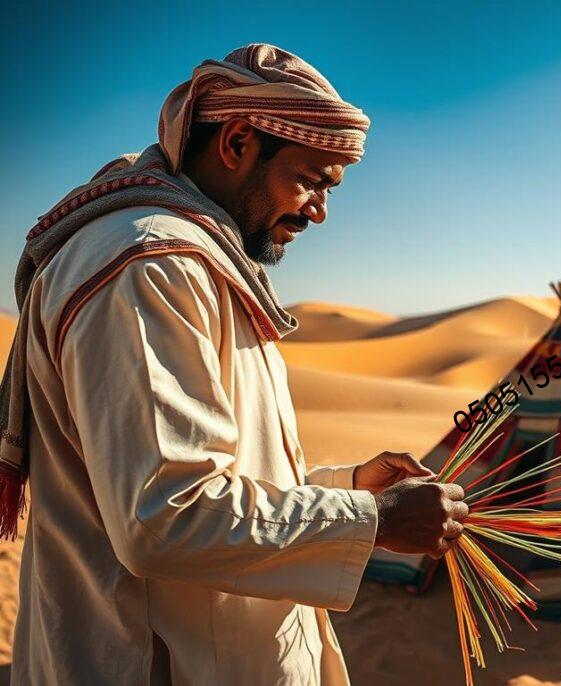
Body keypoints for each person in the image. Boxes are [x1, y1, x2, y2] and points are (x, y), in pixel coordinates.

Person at [0, 44, 467, 685]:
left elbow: (217, 478)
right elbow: (167, 514)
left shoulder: (196, 260)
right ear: (239, 141)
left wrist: (350, 488)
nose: (319, 211)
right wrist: (378, 520)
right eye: (312, 180)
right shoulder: (151, 268)